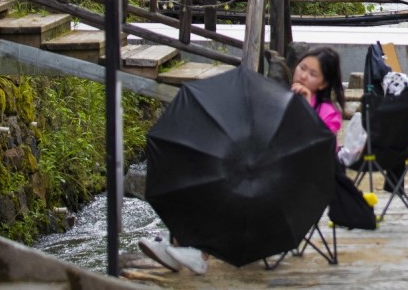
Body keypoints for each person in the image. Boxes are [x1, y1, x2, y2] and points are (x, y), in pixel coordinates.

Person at [141, 48, 348, 275]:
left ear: (324, 83)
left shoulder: (328, 112)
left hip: (294, 186)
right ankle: (179, 246)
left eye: (313, 74)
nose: (303, 76)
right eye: (302, 68)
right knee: (203, 175)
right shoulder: (277, 94)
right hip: (259, 167)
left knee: (227, 192)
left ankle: (198, 253)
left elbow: (319, 156)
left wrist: (305, 108)